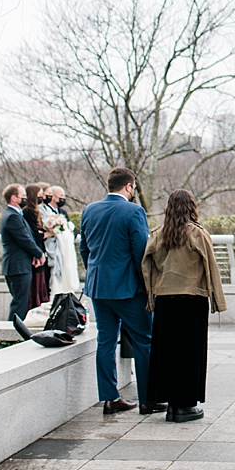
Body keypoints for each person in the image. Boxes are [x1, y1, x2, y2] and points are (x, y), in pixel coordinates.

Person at [80, 167, 167, 416]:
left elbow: (84, 249)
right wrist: (149, 286)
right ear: (129, 186)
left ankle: (110, 398)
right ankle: (148, 399)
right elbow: (141, 252)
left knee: (106, 342)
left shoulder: (89, 210)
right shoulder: (134, 211)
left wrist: (96, 273)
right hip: (128, 289)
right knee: (144, 341)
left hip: (98, 287)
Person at [142, 189, 226, 423]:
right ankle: (186, 405)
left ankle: (170, 404)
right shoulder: (197, 234)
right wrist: (217, 301)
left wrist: (151, 297)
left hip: (165, 299)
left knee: (167, 352)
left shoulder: (158, 234)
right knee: (190, 353)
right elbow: (211, 267)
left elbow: (147, 265)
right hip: (192, 299)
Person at [0, 184, 46, 322]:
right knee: (20, 303)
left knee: (21, 301)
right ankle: (12, 333)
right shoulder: (12, 217)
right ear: (14, 198)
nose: (26, 199)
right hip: (17, 266)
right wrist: (39, 254)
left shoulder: (15, 215)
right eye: (23, 196)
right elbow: (24, 239)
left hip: (20, 264)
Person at [41, 185, 81, 294]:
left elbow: (71, 227)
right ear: (53, 197)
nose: (63, 198)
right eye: (61, 196)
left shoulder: (62, 212)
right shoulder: (45, 212)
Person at [23, 183, 52, 309]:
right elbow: (34, 234)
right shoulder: (28, 212)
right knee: (36, 284)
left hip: (40, 250)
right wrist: (47, 233)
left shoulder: (37, 211)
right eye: (39, 196)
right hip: (36, 253)